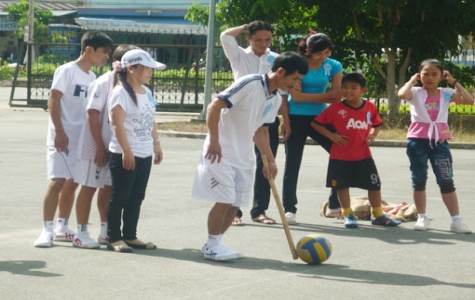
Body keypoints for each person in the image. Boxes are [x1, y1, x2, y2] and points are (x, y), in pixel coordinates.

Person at [191, 52, 308, 261]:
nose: (297, 83)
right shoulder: (249, 83)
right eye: (295, 78)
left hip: (244, 156)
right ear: (281, 72)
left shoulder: (274, 98)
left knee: (235, 203)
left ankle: (216, 243)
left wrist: (270, 161)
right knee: (224, 200)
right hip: (221, 152)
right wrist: (214, 140)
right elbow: (214, 106)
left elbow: (261, 131)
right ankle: (210, 245)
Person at [34, 31, 114, 248]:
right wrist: (59, 131)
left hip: (81, 139)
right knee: (57, 181)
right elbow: (54, 99)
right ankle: (46, 230)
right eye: (104, 52)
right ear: (89, 49)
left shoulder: (92, 78)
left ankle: (62, 226)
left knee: (73, 182)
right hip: (62, 137)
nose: (106, 57)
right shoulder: (67, 70)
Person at [220, 21, 289, 225]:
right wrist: (243, 27)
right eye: (258, 39)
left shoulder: (276, 59)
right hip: (240, 117)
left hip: (266, 115)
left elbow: (282, 93)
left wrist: (285, 118)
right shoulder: (239, 55)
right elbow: (225, 36)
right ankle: (233, 212)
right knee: (236, 163)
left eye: (267, 39)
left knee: (266, 162)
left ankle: (260, 210)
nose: (263, 43)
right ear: (249, 38)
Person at [311, 72, 401, 228]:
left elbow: (376, 122)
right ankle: (348, 215)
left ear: (363, 91)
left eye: (354, 87)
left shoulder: (370, 107)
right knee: (342, 186)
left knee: (374, 185)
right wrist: (331, 135)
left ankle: (378, 215)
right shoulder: (336, 108)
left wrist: (373, 134)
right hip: (340, 157)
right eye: (344, 87)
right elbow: (315, 124)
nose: (348, 91)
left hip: (363, 156)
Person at [72, 44, 139, 249]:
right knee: (90, 186)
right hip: (97, 144)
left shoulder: (128, 85)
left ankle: (105, 231)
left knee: (109, 189)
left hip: (115, 146)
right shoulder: (103, 82)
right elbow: (92, 114)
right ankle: (81, 232)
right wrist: (100, 147)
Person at [397, 59, 474, 233]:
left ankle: (456, 221)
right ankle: (422, 217)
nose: (429, 78)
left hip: (440, 142)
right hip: (417, 141)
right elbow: (401, 95)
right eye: (425, 74)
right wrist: (411, 81)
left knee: (446, 181)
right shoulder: (415, 92)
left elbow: (469, 101)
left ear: (441, 76)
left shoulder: (446, 93)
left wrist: (454, 82)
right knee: (419, 179)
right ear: (419, 75)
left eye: (434, 74)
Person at [106, 48, 165, 252]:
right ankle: (113, 237)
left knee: (137, 196)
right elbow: (117, 124)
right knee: (120, 196)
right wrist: (126, 151)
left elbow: (150, 120)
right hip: (124, 153)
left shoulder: (147, 92)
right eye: (147, 68)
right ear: (131, 68)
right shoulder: (120, 92)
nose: (151, 72)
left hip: (145, 153)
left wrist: (156, 143)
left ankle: (130, 235)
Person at [283, 33, 342, 224]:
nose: (324, 56)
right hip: (296, 116)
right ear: (308, 50)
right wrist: (324, 96)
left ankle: (334, 205)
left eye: (327, 52)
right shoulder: (297, 64)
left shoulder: (333, 65)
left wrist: (310, 96)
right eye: (319, 53)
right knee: (293, 161)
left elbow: (336, 96)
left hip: (321, 116)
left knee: (340, 153)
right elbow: (296, 98)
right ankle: (289, 209)